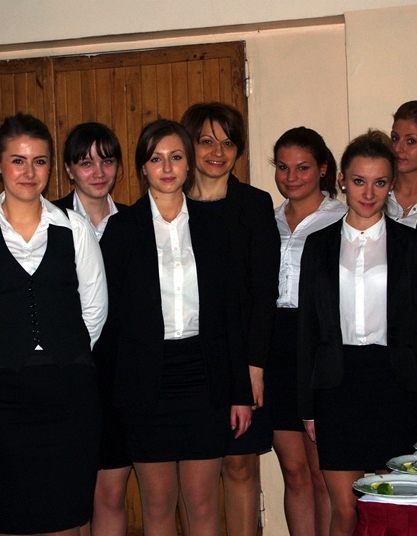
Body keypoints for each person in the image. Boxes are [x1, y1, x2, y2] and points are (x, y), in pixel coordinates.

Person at [0, 112, 107, 536]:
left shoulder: (75, 229)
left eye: (39, 161)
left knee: (66, 520)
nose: (29, 172)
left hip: (69, 394)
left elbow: (94, 311)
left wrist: (65, 352)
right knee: (8, 519)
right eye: (18, 160)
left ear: (51, 166)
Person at [99, 119, 253, 536]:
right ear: (143, 167)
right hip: (146, 384)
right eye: (156, 159)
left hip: (205, 379)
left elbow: (232, 315)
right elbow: (109, 322)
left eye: (176, 157)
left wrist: (240, 393)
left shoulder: (212, 227)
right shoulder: (121, 230)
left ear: (188, 165)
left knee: (202, 502)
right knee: (158, 504)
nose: (167, 168)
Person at [298, 131, 417, 536]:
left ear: (391, 184)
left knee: (387, 510)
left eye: (379, 182)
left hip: (394, 384)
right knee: (344, 511)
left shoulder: (412, 245)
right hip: (335, 385)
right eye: (359, 181)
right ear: (342, 180)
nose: (368, 192)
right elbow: (308, 329)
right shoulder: (318, 245)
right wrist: (306, 405)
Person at [180, 102, 280, 536]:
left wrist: (255, 365)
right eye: (206, 141)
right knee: (193, 475)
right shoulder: (170, 205)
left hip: (242, 355)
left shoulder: (254, 205)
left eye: (227, 143)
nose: (217, 152)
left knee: (240, 464)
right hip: (188, 359)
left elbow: (264, 292)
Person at [53, 122, 131, 536]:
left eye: (107, 161)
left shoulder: (135, 223)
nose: (98, 172)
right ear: (68, 169)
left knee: (112, 495)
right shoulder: (49, 221)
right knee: (73, 496)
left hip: (120, 379)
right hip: (66, 377)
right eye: (86, 163)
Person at [268, 127, 346, 536]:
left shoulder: (342, 218)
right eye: (283, 168)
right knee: (294, 471)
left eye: (302, 168)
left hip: (319, 344)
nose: (291, 177)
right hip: (277, 345)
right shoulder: (268, 220)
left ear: (323, 169)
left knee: (322, 473)